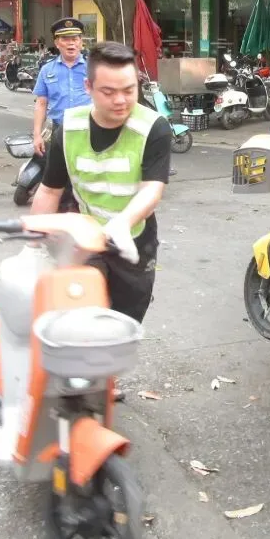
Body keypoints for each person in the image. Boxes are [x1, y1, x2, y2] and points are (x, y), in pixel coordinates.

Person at [30, 42, 172, 323]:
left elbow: (152, 188)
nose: (120, 100)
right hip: (85, 240)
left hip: (134, 242)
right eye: (109, 92)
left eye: (129, 90)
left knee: (120, 329)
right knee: (80, 321)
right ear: (89, 87)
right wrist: (31, 246)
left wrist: (121, 223)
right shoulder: (69, 129)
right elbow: (49, 190)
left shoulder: (153, 127)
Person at [32, 17, 91, 156]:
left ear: (81, 43)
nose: (71, 44)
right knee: (56, 174)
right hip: (59, 131)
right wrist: (37, 135)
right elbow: (41, 104)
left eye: (75, 39)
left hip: (88, 130)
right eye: (65, 39)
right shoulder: (47, 70)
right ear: (57, 43)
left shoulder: (94, 68)